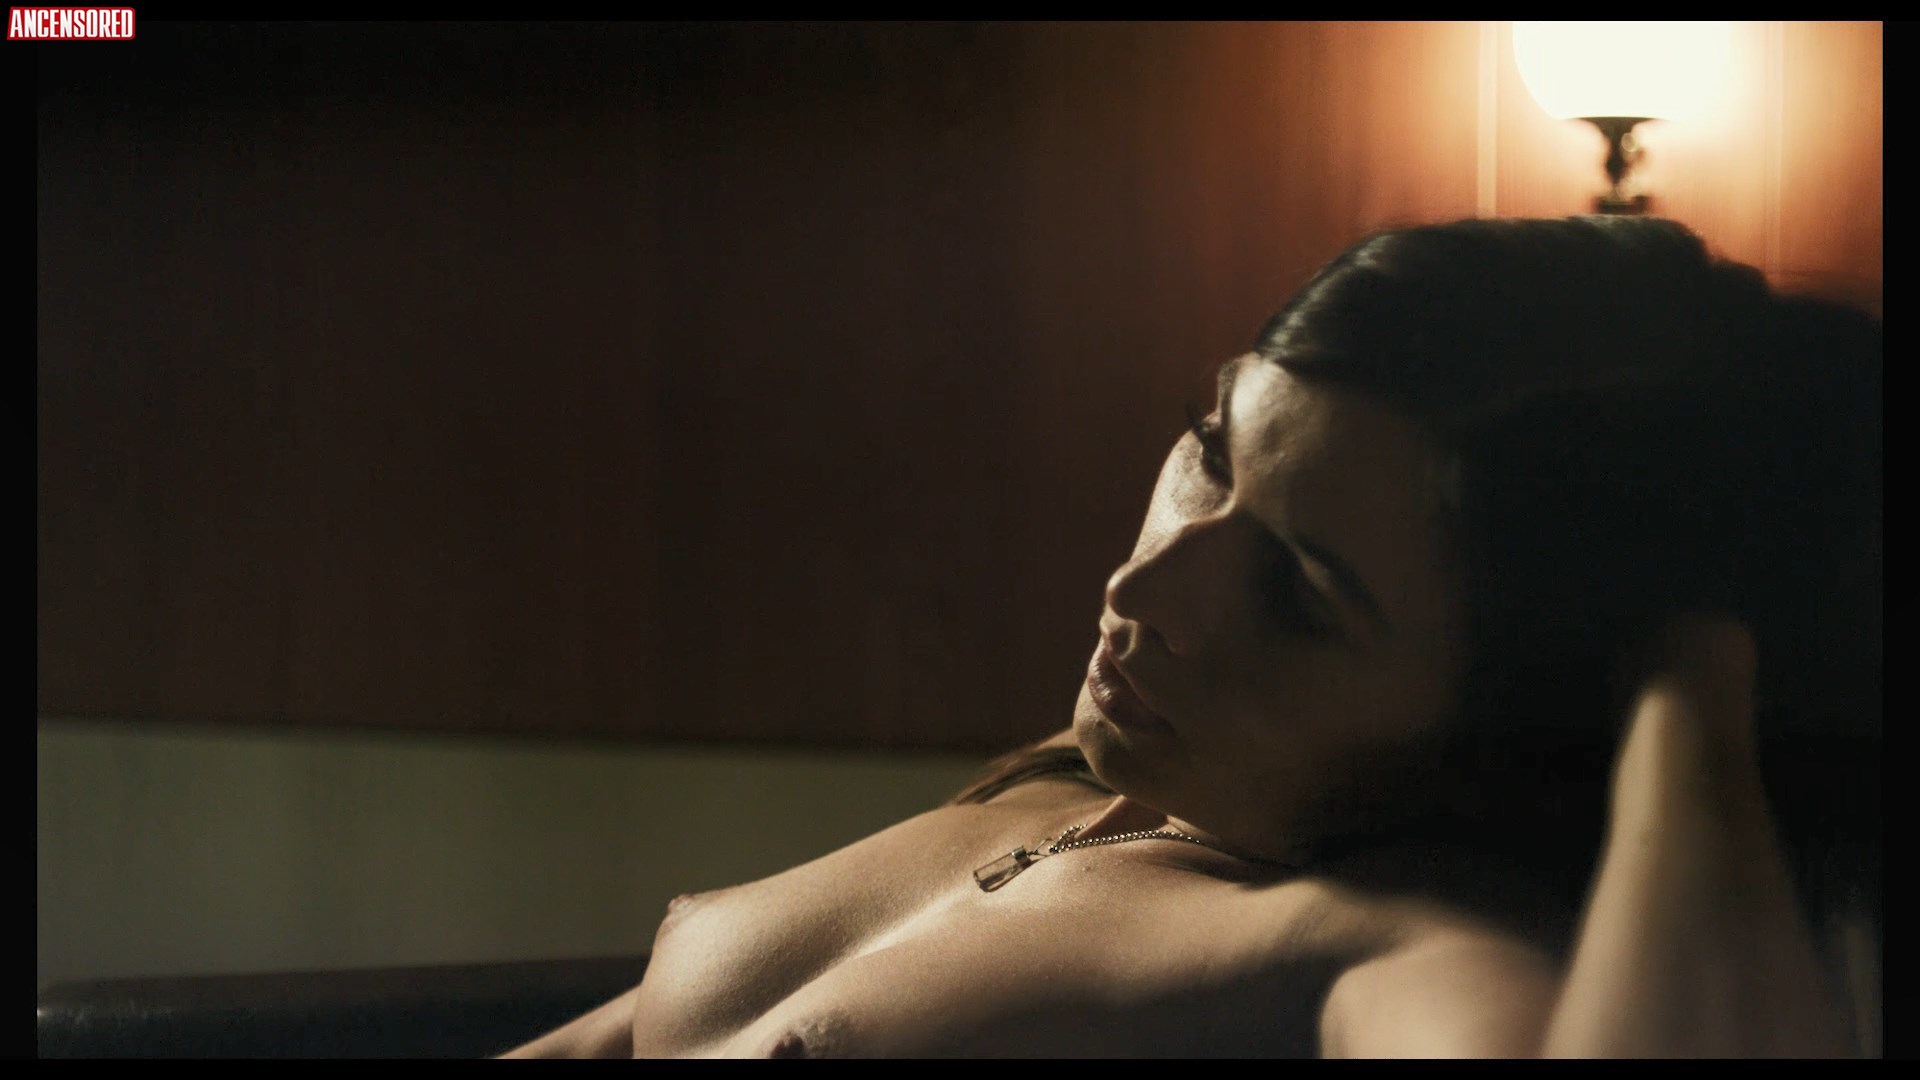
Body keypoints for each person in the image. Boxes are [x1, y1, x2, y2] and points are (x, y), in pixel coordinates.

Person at [504, 215, 1880, 1058]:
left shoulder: (1396, 952)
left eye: (1302, 594)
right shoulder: (1073, 789)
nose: (1148, 584)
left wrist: (1689, 687)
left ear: (1500, 728)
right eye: (1210, 453)